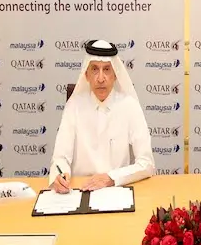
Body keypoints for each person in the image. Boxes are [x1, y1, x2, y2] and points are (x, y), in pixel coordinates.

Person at [48, 39, 155, 193]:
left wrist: (111, 178)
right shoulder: (74, 105)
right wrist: (59, 175)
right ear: (86, 74)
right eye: (94, 69)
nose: (100, 78)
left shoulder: (129, 106)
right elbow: (60, 157)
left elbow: (147, 163)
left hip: (117, 188)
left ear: (115, 74)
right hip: (80, 189)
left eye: (106, 69)